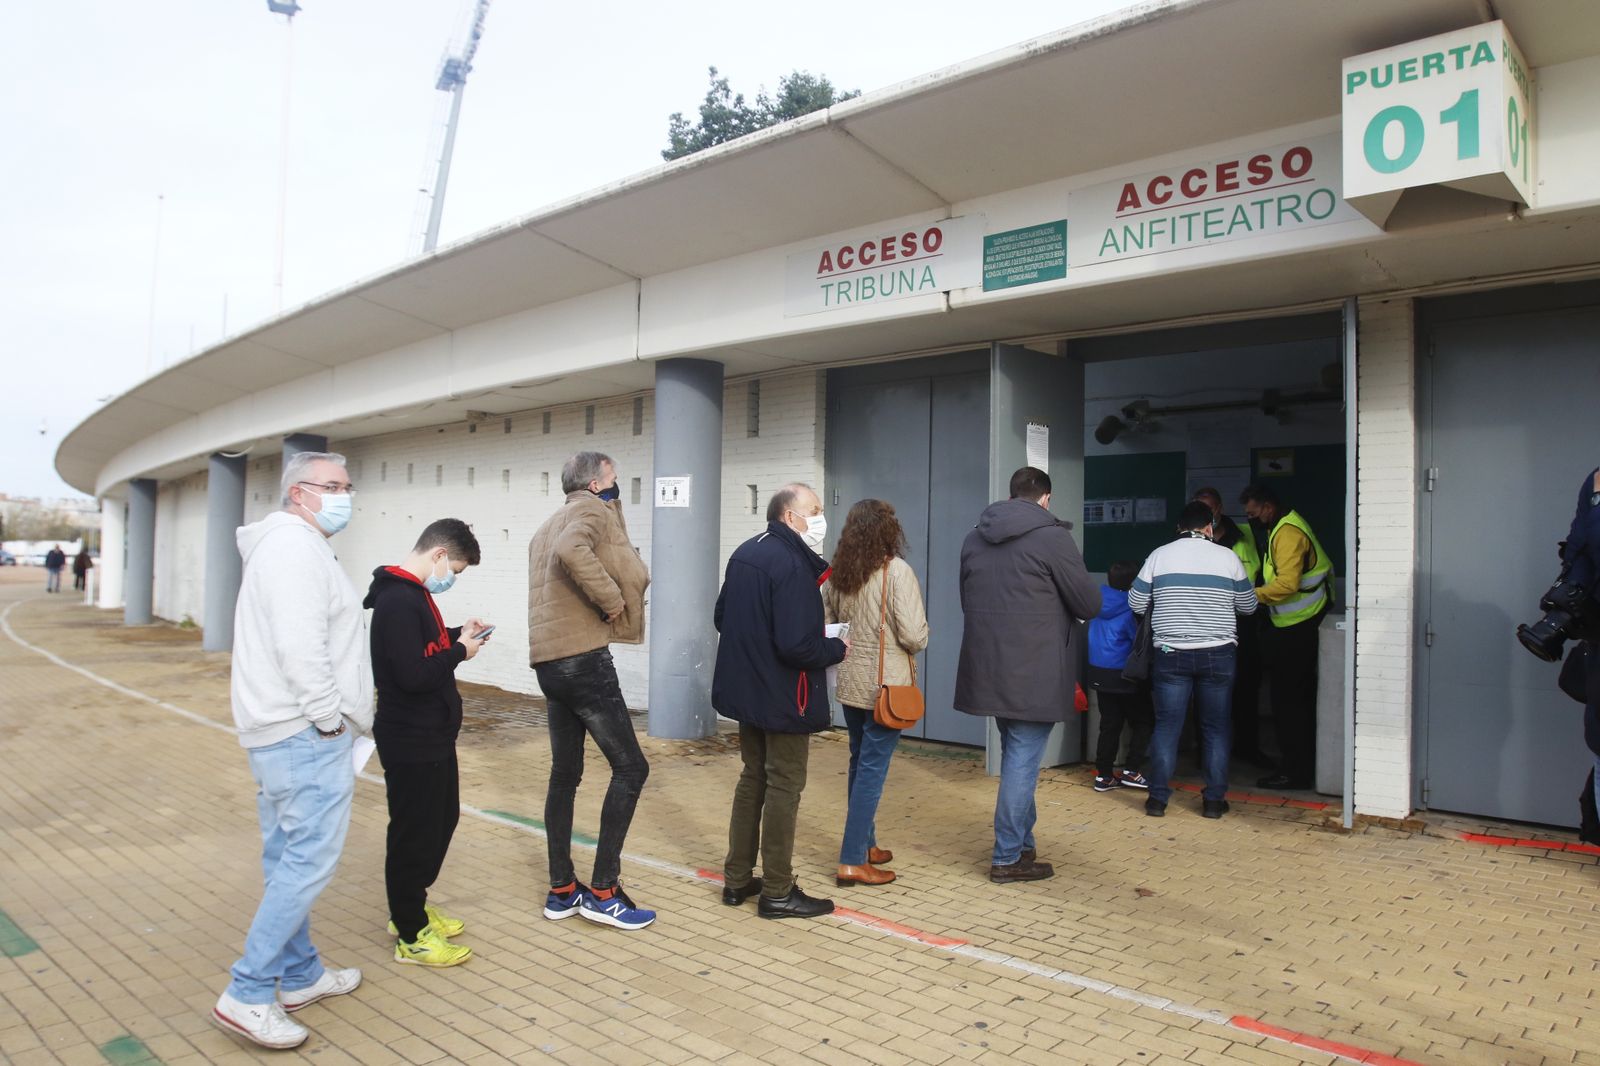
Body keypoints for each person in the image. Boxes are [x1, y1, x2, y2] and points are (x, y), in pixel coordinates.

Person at [212, 451, 371, 1050]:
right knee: (307, 862)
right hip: (302, 732)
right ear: (298, 492)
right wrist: (329, 721)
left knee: (286, 857)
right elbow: (301, 647)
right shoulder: (293, 549)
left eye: (348, 486)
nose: (344, 496)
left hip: (283, 731)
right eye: (332, 485)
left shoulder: (292, 547)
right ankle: (248, 991)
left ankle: (300, 975)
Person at [954, 467, 1100, 884]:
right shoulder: (1053, 537)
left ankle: (1022, 844)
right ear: (1046, 499)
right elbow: (1089, 604)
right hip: (1036, 669)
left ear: (1011, 494)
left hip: (989, 665)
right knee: (1021, 763)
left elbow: (966, 598)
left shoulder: (974, 537)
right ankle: (1006, 858)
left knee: (1017, 756)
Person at [528, 451, 654, 931]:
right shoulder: (590, 511)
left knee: (565, 775)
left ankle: (562, 889)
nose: (617, 484)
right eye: (614, 477)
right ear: (597, 484)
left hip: (549, 662)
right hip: (583, 661)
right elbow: (573, 550)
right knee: (632, 768)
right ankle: (604, 892)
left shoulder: (547, 524)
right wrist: (612, 599)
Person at [714, 483, 849, 918]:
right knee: (784, 785)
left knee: (753, 777)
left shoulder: (746, 552)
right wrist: (836, 648)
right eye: (814, 510)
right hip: (785, 696)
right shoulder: (792, 564)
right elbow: (797, 645)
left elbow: (722, 616)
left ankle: (737, 878)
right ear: (790, 516)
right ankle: (777, 889)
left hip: (749, 690)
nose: (820, 518)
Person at [364, 519, 489, 968]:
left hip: (431, 735)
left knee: (441, 820)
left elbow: (423, 648)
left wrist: (458, 635)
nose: (451, 578)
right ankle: (410, 932)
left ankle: (412, 907)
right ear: (438, 555)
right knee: (414, 833)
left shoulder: (413, 595)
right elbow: (413, 675)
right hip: (410, 737)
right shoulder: (399, 600)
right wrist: (460, 653)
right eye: (454, 570)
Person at [1127, 502, 1259, 818]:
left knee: (1167, 726)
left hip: (1171, 653)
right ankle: (1213, 802)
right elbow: (1248, 606)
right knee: (1215, 728)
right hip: (1219, 653)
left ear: (1179, 528)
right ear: (1210, 527)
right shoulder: (1228, 558)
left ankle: (1157, 800)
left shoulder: (1160, 555)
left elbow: (1136, 602)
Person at [822, 499, 929, 887]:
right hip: (887, 687)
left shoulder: (838, 574)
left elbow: (828, 625)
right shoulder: (896, 572)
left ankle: (866, 845)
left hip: (851, 684)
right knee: (871, 771)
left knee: (859, 762)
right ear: (888, 530)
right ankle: (852, 860)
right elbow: (914, 636)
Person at [1240, 483, 1334, 791]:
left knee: (1289, 704)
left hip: (1299, 627)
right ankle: (1298, 767)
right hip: (1293, 625)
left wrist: (1247, 595)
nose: (1251, 518)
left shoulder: (1288, 533)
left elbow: (1287, 585)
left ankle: (1294, 772)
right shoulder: (1281, 526)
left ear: (1267, 507)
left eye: (1253, 513)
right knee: (1293, 700)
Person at [1194, 487, 1266, 764]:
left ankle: (1247, 749)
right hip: (1207, 627)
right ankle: (1205, 754)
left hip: (1243, 624)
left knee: (1246, 689)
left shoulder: (1247, 535)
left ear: (1220, 509)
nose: (1207, 515)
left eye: (1210, 508)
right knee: (1206, 694)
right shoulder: (1186, 541)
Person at [1086, 560, 1152, 793]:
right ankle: (1132, 770)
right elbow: (1138, 643)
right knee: (1144, 721)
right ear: (1134, 583)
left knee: (1109, 724)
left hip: (1098, 672)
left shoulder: (1096, 603)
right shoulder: (1131, 609)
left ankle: (1104, 775)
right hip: (1124, 674)